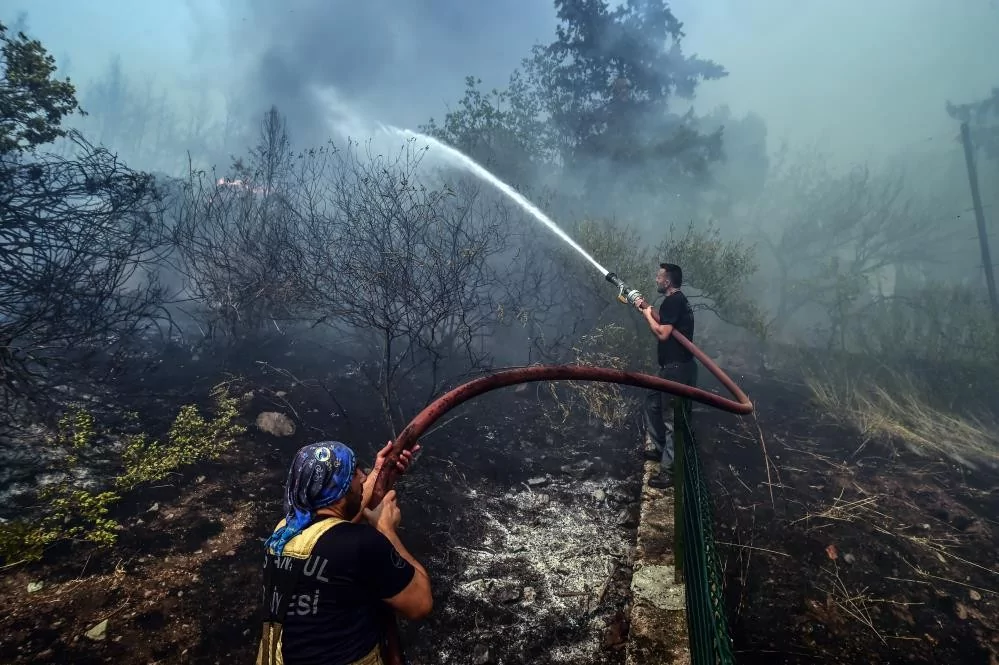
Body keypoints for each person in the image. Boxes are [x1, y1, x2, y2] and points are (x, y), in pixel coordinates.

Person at [257, 440, 431, 665]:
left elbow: (335, 523)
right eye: (354, 472)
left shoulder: (284, 532)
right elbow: (420, 604)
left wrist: (379, 471)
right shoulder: (362, 544)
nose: (363, 478)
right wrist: (386, 530)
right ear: (338, 489)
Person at [634, 262, 697, 490]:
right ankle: (660, 449)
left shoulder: (672, 300)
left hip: (676, 369)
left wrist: (645, 315)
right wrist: (646, 307)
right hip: (677, 367)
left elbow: (663, 333)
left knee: (671, 419)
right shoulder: (677, 301)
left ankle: (668, 472)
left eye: (659, 277)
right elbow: (666, 320)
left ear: (668, 281)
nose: (656, 280)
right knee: (652, 402)